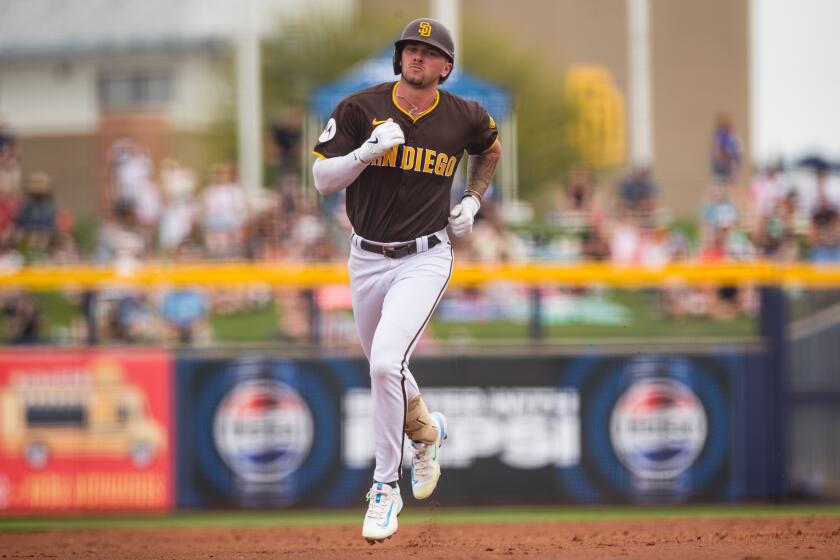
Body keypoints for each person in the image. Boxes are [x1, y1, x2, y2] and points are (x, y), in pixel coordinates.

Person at [311, 17, 501, 544]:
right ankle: (427, 433)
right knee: (386, 367)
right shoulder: (360, 107)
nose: (416, 56)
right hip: (365, 257)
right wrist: (365, 152)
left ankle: (383, 486)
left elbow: (490, 148)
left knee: (382, 362)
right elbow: (321, 178)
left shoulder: (464, 115)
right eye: (409, 49)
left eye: (427, 50)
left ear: (445, 66)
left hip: (425, 256)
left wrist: (472, 199)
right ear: (400, 59)